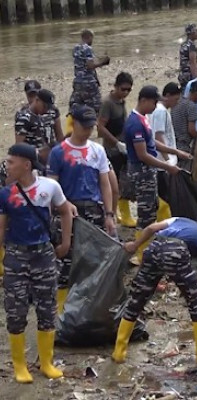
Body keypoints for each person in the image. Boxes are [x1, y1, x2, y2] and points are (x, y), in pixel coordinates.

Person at [112, 213, 197, 365]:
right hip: (175, 250)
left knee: (137, 300)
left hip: (154, 246)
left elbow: (151, 228)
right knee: (196, 300)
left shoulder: (180, 220)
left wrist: (135, 244)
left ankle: (119, 351)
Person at [0, 143, 73, 383]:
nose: (7, 165)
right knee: (16, 311)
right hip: (16, 257)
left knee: (47, 308)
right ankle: (20, 365)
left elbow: (65, 211)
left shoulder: (49, 187)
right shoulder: (6, 193)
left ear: (26, 164)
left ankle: (46, 362)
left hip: (43, 255)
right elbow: (1, 228)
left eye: (11, 162)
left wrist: (65, 242)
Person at [47, 105, 115, 313]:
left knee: (93, 260)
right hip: (67, 212)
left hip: (93, 210)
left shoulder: (97, 150)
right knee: (65, 261)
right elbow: (52, 186)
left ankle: (87, 307)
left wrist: (109, 214)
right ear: (74, 124)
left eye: (91, 127)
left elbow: (105, 183)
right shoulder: (58, 152)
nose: (88, 131)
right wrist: (64, 204)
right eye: (84, 127)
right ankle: (61, 310)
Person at [125, 86, 190, 265]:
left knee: (152, 209)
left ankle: (148, 249)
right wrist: (167, 166)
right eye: (154, 102)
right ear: (144, 100)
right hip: (142, 172)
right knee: (145, 214)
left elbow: (152, 142)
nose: (155, 106)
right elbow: (143, 155)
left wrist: (175, 151)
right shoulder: (135, 123)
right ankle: (142, 254)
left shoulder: (143, 119)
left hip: (148, 172)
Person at [98, 72, 136, 228]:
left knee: (124, 181)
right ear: (116, 86)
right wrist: (116, 143)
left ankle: (121, 212)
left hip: (122, 147)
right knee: (113, 184)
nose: (125, 93)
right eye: (123, 89)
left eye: (129, 90)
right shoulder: (108, 103)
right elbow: (100, 127)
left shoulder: (121, 101)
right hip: (111, 149)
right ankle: (112, 213)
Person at [149, 83, 182, 222]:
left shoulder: (158, 110)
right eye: (176, 99)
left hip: (161, 161)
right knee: (165, 196)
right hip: (162, 162)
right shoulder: (160, 111)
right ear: (167, 96)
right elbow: (159, 136)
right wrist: (168, 160)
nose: (177, 103)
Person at [69, 29, 110, 113]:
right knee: (97, 107)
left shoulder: (75, 48)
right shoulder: (87, 48)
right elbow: (90, 65)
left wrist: (99, 61)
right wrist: (103, 62)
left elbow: (82, 63)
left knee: (77, 107)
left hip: (78, 81)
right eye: (92, 38)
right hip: (88, 82)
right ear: (89, 37)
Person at [15, 88, 58, 165]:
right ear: (37, 100)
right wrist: (37, 152)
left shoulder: (41, 116)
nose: (46, 110)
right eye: (44, 106)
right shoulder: (24, 118)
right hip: (32, 161)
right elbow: (18, 146)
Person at [22, 80, 64, 147]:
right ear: (26, 95)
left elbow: (59, 135)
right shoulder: (23, 114)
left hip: (51, 149)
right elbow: (20, 141)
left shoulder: (52, 110)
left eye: (35, 95)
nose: (33, 98)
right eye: (30, 96)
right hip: (32, 150)